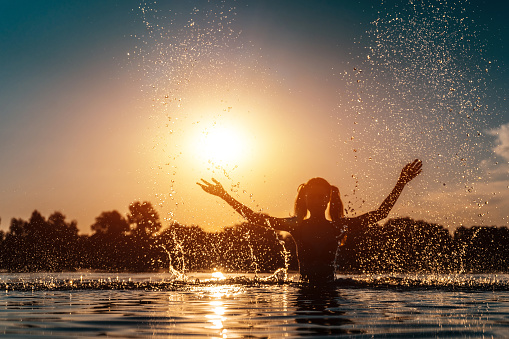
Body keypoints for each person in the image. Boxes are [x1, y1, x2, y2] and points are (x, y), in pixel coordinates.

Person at [197, 159, 422, 284]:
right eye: (311, 196)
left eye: (321, 196)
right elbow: (255, 218)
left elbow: (380, 213)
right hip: (302, 294)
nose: (316, 200)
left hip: (332, 292)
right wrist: (225, 195)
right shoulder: (297, 225)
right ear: (304, 198)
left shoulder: (338, 226)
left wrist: (401, 183)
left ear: (328, 199)